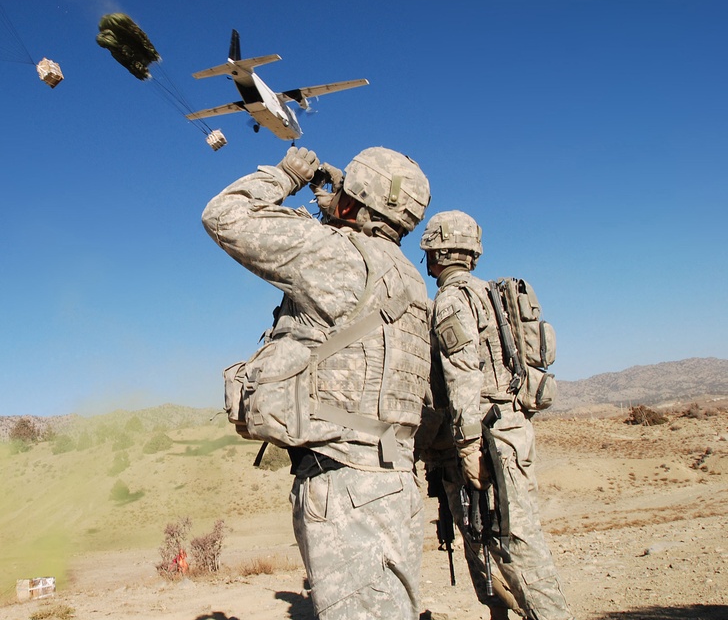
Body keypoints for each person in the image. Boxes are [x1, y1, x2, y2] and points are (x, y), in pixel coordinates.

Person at [202, 146, 432, 620]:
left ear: (354, 202)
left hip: (344, 480)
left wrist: (287, 175)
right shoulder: (408, 279)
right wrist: (337, 204)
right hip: (391, 477)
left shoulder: (336, 256)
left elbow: (224, 215)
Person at [419, 210, 574, 620]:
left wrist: (468, 445)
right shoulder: (489, 293)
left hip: (484, 438)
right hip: (509, 430)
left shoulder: (452, 299)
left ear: (437, 253)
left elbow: (463, 373)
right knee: (496, 536)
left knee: (512, 544)